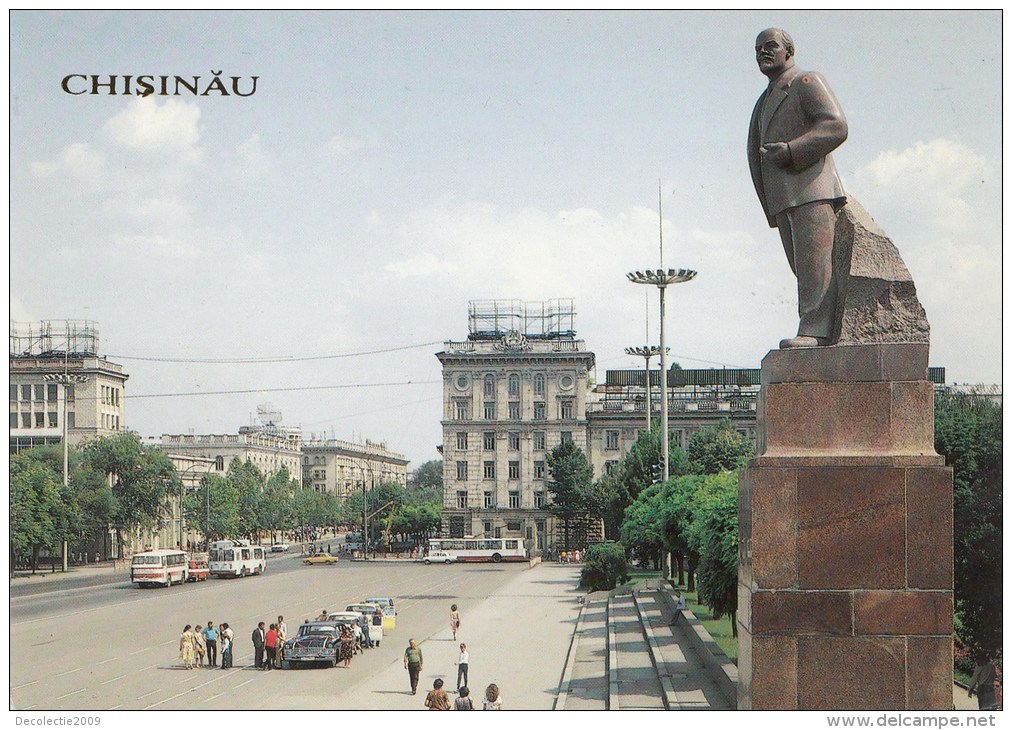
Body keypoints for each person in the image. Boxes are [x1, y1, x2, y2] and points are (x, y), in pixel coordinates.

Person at [747, 27, 849, 349]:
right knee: (803, 269)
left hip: (811, 190)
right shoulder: (764, 100)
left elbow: (836, 126)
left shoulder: (806, 82)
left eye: (771, 46)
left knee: (815, 267)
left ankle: (816, 332)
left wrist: (791, 151)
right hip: (784, 199)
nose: (763, 52)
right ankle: (817, 329)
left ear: (788, 51)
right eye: (758, 49)